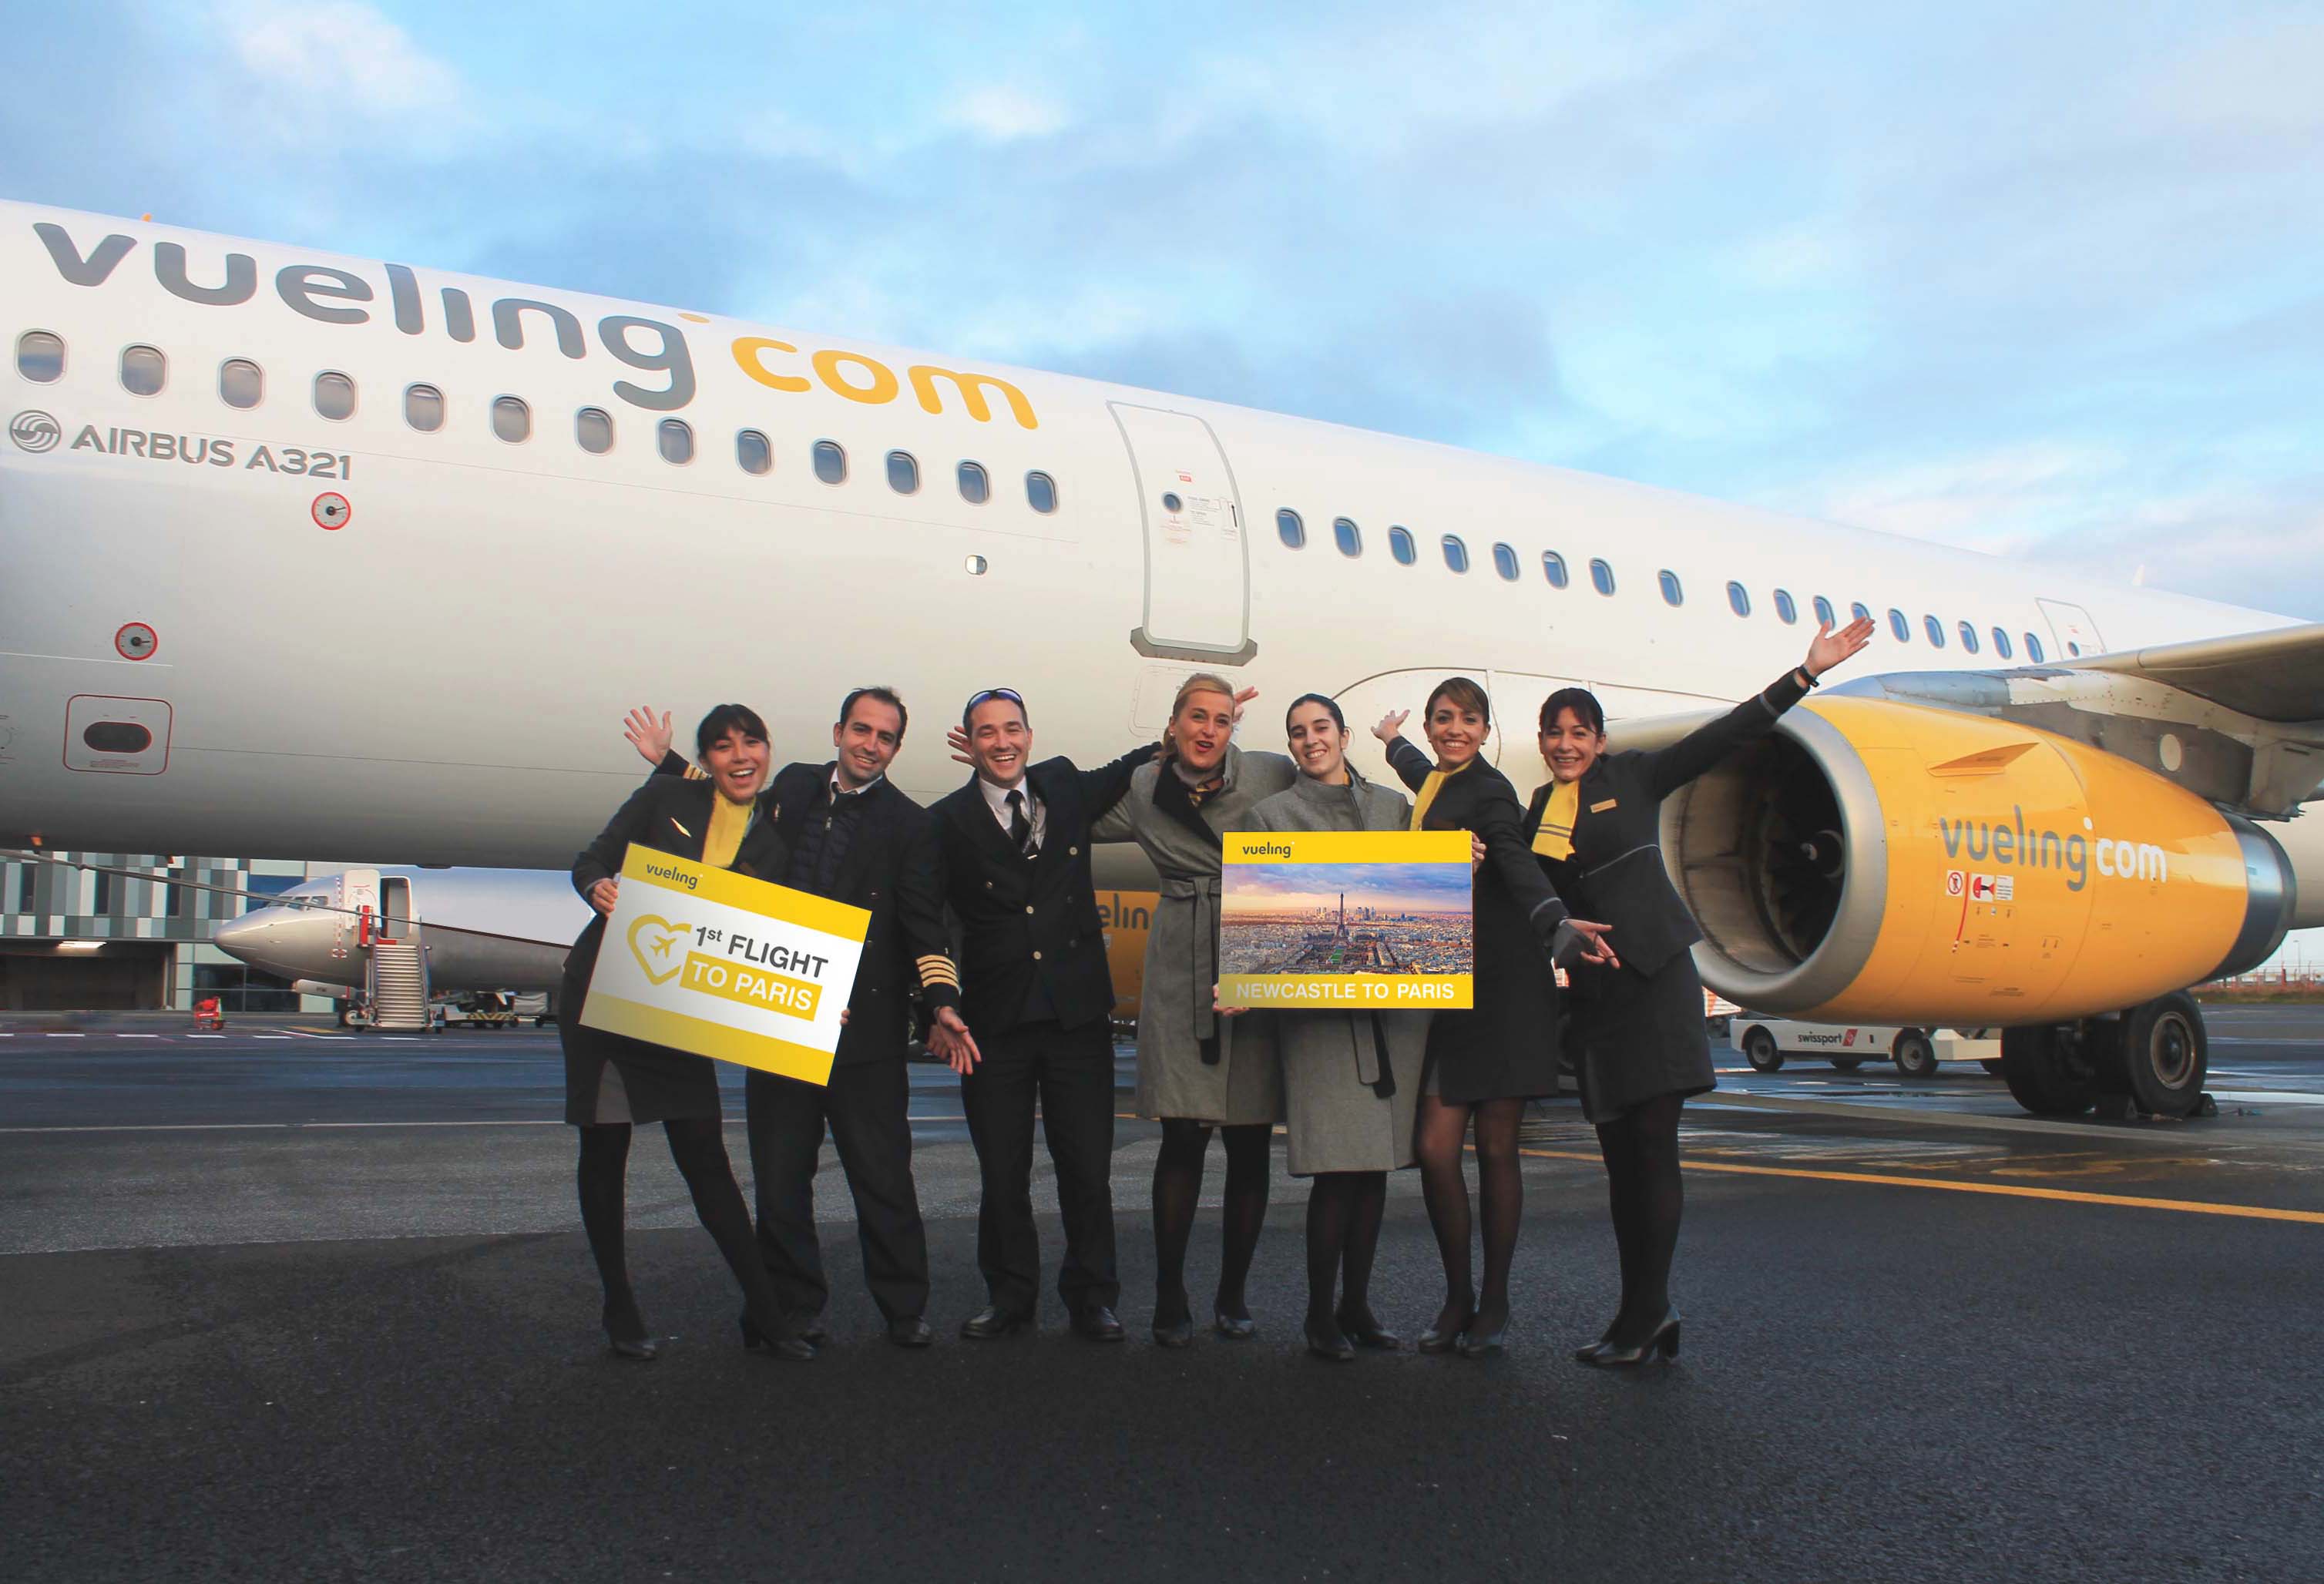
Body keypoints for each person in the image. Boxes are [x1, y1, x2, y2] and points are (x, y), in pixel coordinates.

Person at [1530, 617, 1872, 1368]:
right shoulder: (1536, 815)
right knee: (1620, 1160)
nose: (1565, 744)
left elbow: (1726, 734)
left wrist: (1805, 673)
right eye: (1553, 732)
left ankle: (1651, 1310)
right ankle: (1636, 1312)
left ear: (1597, 738)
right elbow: (1523, 892)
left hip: (1655, 984)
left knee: (1653, 1150)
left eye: (1578, 730)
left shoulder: (1635, 777)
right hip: (1597, 1001)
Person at [628, 690, 971, 1351]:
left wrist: (942, 1004)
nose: (872, 744)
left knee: (883, 1178)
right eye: (862, 730)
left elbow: (925, 923)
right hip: (780, 1019)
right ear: (839, 730)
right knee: (781, 1180)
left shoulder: (911, 824)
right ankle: (792, 1306)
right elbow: (731, 802)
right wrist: (669, 763)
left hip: (864, 1031)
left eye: (887, 737)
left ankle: (904, 1309)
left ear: (898, 748)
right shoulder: (793, 787)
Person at [560, 703, 811, 1363]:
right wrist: (599, 888)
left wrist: (814, 1001)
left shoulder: (775, 831)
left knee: (707, 1162)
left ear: (768, 748)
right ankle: (619, 1305)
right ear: (708, 759)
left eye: (751, 742)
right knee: (605, 1154)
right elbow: (590, 860)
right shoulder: (668, 795)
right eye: (723, 747)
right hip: (608, 989)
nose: (740, 756)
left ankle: (767, 1315)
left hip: (676, 1007)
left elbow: (771, 942)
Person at [1375, 679, 1611, 1358]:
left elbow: (1511, 855)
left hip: (1504, 983)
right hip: (1452, 984)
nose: (1454, 730)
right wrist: (1393, 745)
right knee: (1437, 1148)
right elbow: (1423, 772)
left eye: (1467, 721)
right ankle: (1457, 1295)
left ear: (1485, 729)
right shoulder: (1439, 780)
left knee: (1498, 1149)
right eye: (1443, 720)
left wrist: (1553, 919)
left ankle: (1495, 1301)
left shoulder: (1493, 792)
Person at [925, 688, 1157, 1343]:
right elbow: (924, 915)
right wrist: (937, 1004)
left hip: (1075, 1016)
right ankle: (1010, 1298)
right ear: (967, 744)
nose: (1002, 742)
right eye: (986, 733)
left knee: (1086, 1166)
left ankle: (1092, 1297)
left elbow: (1127, 768)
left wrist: (1179, 728)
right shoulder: (946, 821)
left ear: (1029, 735)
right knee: (1003, 1173)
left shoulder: (1060, 783)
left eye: (1011, 730)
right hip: (993, 1024)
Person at [1091, 673, 1295, 1346]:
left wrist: (1429, 860)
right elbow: (1075, 817)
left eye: (1222, 720)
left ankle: (1232, 1294)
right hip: (1181, 957)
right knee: (1182, 1135)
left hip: (1255, 950)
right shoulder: (1147, 788)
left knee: (1248, 1139)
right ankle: (1170, 1291)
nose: (1209, 731)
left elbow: (1335, 809)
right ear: (1173, 724)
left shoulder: (1268, 774)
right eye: (1197, 718)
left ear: (1235, 728)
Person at [1239, 693, 1430, 1361]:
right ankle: (1320, 1314)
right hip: (1317, 1022)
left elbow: (1418, 890)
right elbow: (1263, 922)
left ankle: (1357, 1304)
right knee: (1334, 1168)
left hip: (1392, 1016)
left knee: (1374, 1169)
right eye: (1298, 733)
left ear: (1345, 735)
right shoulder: (1271, 816)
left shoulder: (1391, 809)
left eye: (1321, 728)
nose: (1310, 740)